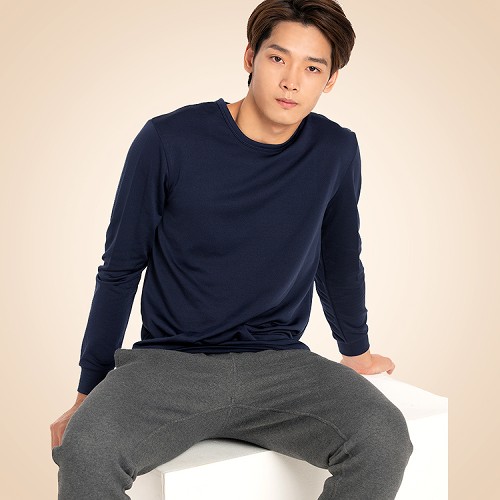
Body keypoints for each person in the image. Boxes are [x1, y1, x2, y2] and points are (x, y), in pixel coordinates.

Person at [50, 1, 413, 498]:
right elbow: (120, 269)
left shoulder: (335, 150)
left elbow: (339, 259)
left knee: (384, 437)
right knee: (85, 450)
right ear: (250, 58)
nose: (291, 81)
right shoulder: (168, 139)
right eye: (277, 58)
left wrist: (357, 351)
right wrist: (87, 392)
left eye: (312, 68)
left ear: (330, 81)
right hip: (169, 367)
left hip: (282, 367)